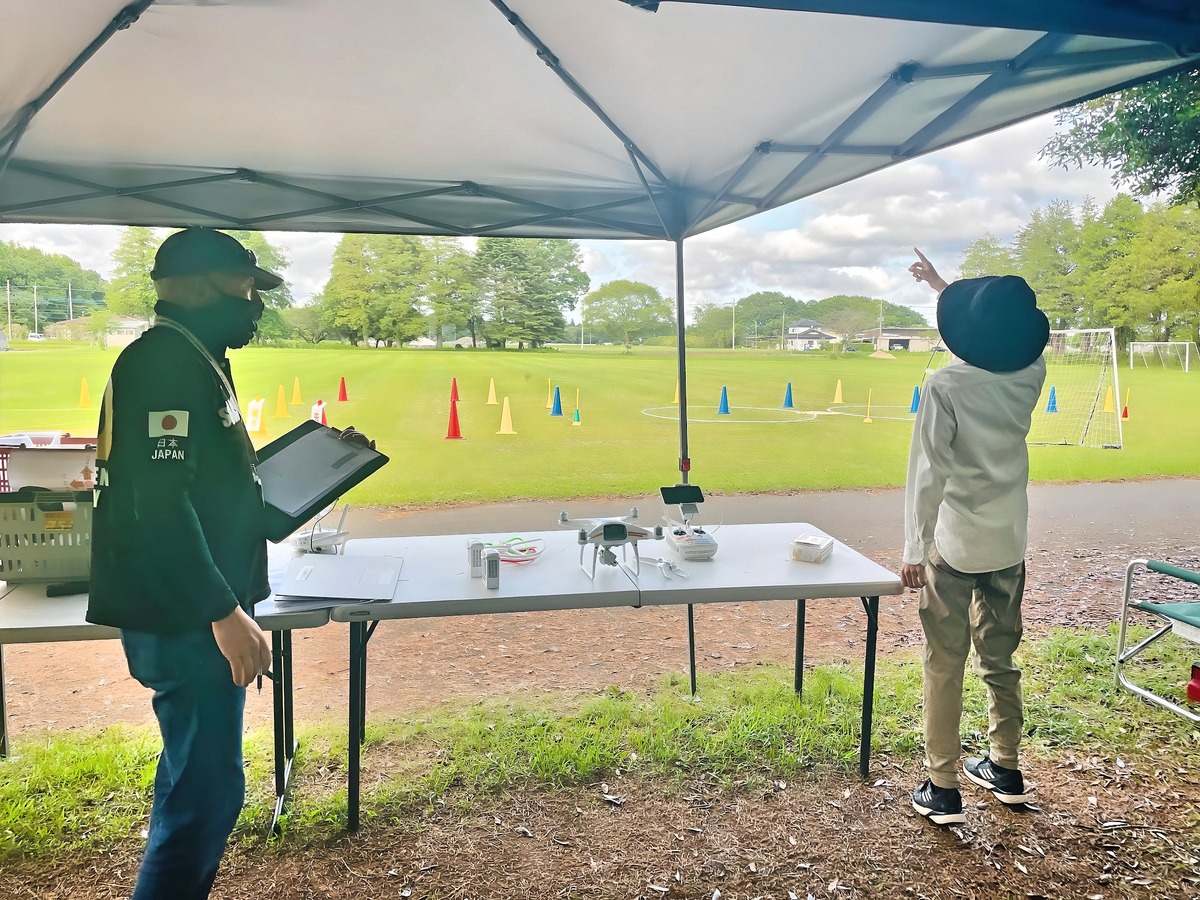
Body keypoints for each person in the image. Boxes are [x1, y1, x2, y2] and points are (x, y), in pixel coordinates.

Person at [87, 228, 280, 898]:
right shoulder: (164, 363)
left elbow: (207, 484)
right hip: (189, 613)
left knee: (198, 783)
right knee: (205, 796)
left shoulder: (192, 355)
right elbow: (159, 508)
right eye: (244, 286)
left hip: (201, 602)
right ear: (196, 286)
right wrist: (222, 613)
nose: (253, 302)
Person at [902, 247, 1049, 826]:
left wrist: (913, 551)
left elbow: (927, 473)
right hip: (1008, 542)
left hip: (954, 544)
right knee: (1000, 658)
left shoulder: (945, 386)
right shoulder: (1033, 373)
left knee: (944, 663)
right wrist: (940, 283)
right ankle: (1005, 766)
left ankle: (942, 787)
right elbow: (993, 334)